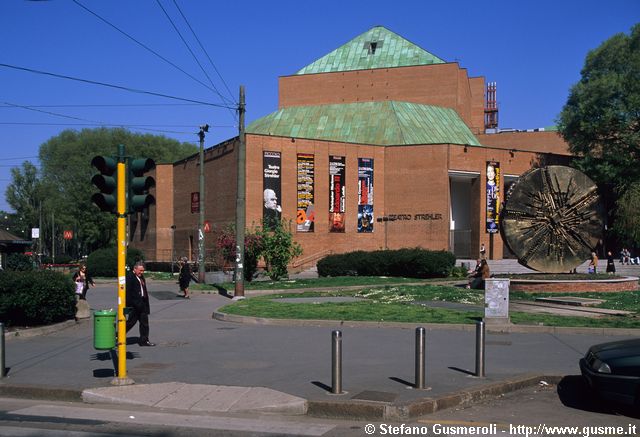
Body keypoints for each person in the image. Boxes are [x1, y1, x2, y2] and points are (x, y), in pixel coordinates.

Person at [126, 262, 155, 347]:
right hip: (135, 304)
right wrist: (130, 304)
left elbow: (143, 289)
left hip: (143, 303)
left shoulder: (141, 277)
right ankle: (117, 336)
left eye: (143, 271)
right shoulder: (130, 277)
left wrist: (145, 303)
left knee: (144, 323)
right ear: (135, 269)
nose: (142, 272)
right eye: (140, 270)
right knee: (130, 323)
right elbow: (128, 293)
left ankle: (144, 341)